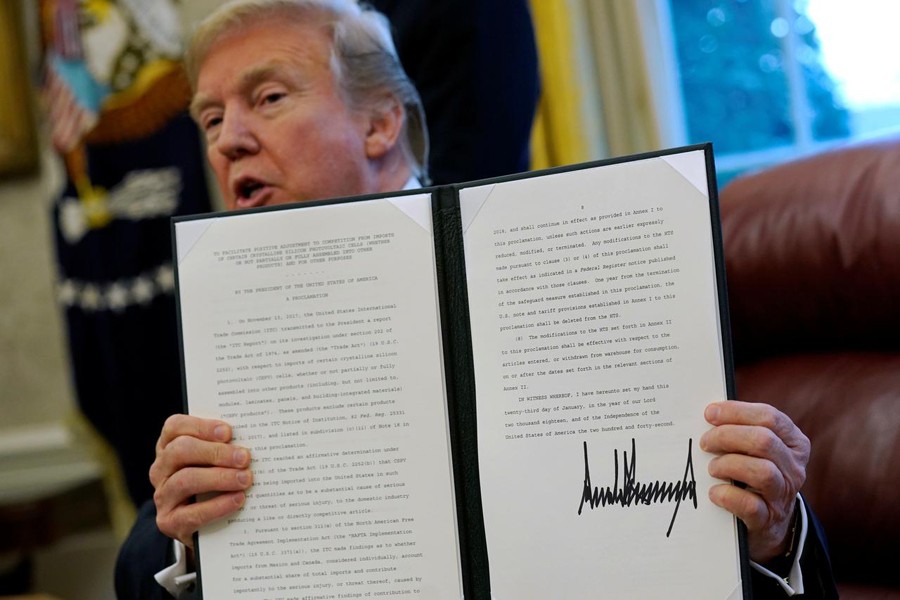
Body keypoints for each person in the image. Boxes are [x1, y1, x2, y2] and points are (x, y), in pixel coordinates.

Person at [115, 1, 837, 598]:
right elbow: (138, 572)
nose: (227, 142)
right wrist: (184, 540)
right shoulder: (235, 318)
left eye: (268, 98)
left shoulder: (572, 258)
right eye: (210, 120)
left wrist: (774, 534)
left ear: (380, 123)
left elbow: (724, 525)